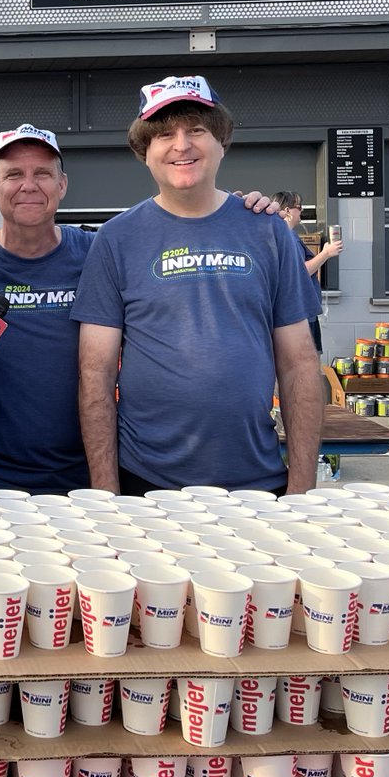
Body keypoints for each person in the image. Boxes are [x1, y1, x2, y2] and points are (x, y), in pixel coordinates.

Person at [72, 75, 323, 496]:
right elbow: (94, 373)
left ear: (221, 142)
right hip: (146, 484)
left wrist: (301, 490)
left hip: (257, 483)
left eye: (197, 130)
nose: (181, 145)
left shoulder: (269, 233)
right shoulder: (116, 239)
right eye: (164, 134)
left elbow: (299, 364)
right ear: (144, 152)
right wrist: (106, 493)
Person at [0, 124, 93, 493]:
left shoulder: (97, 254)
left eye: (43, 173)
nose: (29, 185)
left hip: (86, 472)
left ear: (62, 185)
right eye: (13, 174)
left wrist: (234, 210)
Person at [270, 191, 343, 353]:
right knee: (308, 361)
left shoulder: (277, 236)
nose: (301, 212)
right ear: (287, 210)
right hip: (301, 312)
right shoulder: (288, 238)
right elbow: (300, 272)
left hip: (293, 311)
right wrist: (326, 253)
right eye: (299, 207)